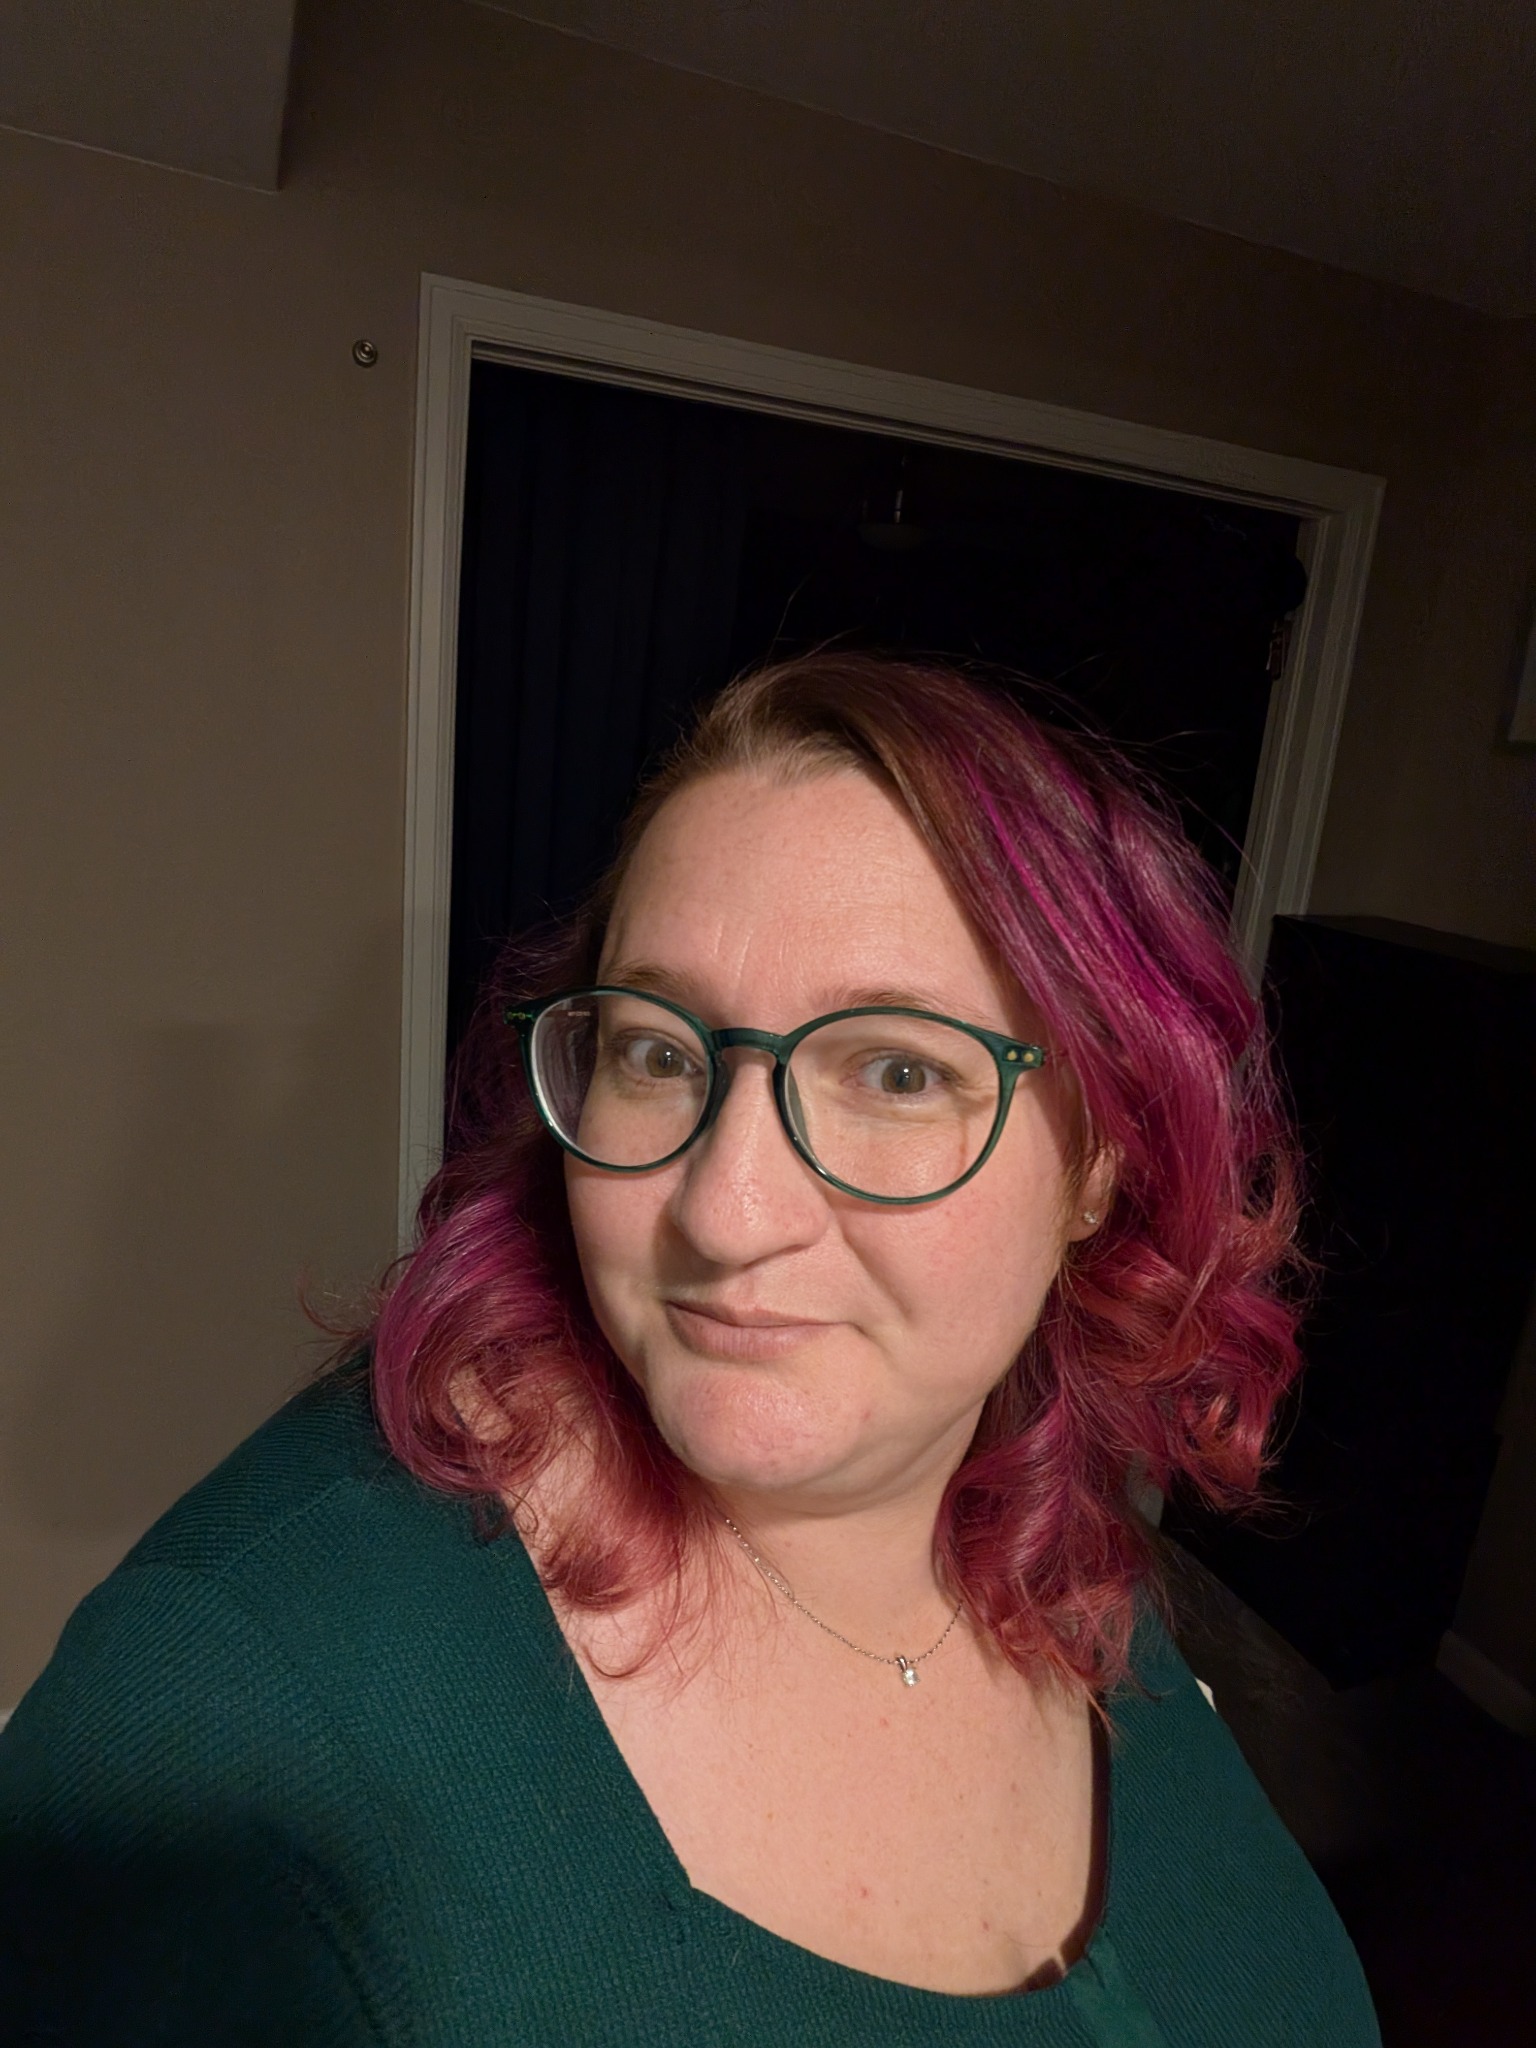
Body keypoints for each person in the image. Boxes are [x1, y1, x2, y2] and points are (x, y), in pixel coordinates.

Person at [0, 654, 1380, 2044]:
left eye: (897, 1072)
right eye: (661, 1054)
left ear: (1100, 1164)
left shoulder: (1056, 1542)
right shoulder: (229, 1721)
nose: (725, 1212)